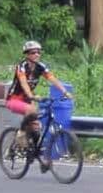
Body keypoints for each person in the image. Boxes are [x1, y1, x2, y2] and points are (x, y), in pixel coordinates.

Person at [5, 40, 73, 172]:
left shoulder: (41, 67)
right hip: (14, 99)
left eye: (38, 52)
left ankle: (37, 157)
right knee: (32, 110)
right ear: (27, 54)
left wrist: (65, 92)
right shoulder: (22, 66)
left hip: (28, 100)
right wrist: (31, 95)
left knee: (37, 128)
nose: (36, 54)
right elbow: (24, 83)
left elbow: (53, 79)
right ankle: (20, 132)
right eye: (32, 52)